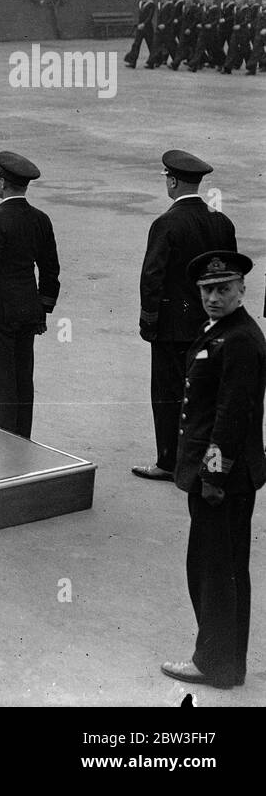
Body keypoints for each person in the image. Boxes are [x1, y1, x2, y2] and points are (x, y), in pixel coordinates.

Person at [161, 251, 266, 689]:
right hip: (224, 475)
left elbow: (231, 416)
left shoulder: (238, 340)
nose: (214, 297)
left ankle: (216, 665)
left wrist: (213, 476)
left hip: (221, 479)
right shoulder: (223, 332)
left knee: (214, 572)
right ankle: (226, 663)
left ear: (242, 290)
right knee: (223, 569)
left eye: (224, 289)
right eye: (207, 290)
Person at [134, 151, 237, 481]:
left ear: (174, 181)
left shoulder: (166, 223)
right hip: (212, 325)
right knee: (208, 393)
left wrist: (148, 322)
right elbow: (231, 275)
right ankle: (206, 461)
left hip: (172, 328)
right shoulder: (221, 222)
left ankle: (168, 462)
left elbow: (152, 276)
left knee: (168, 396)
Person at [0, 152, 61, 439]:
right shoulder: (40, 219)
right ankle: (23, 440)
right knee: (23, 380)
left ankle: (3, 445)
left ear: (3, 182)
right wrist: (43, 308)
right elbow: (50, 269)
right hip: (28, 311)